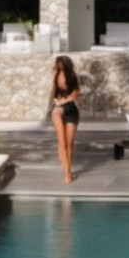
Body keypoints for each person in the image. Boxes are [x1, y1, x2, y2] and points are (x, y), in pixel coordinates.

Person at [50, 54, 81, 184]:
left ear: (65, 64)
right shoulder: (55, 76)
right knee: (61, 142)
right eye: (57, 63)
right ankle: (67, 173)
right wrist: (55, 101)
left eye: (60, 63)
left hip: (71, 110)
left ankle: (68, 170)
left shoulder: (72, 76)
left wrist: (65, 100)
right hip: (58, 110)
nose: (58, 65)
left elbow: (76, 93)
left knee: (69, 143)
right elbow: (52, 92)